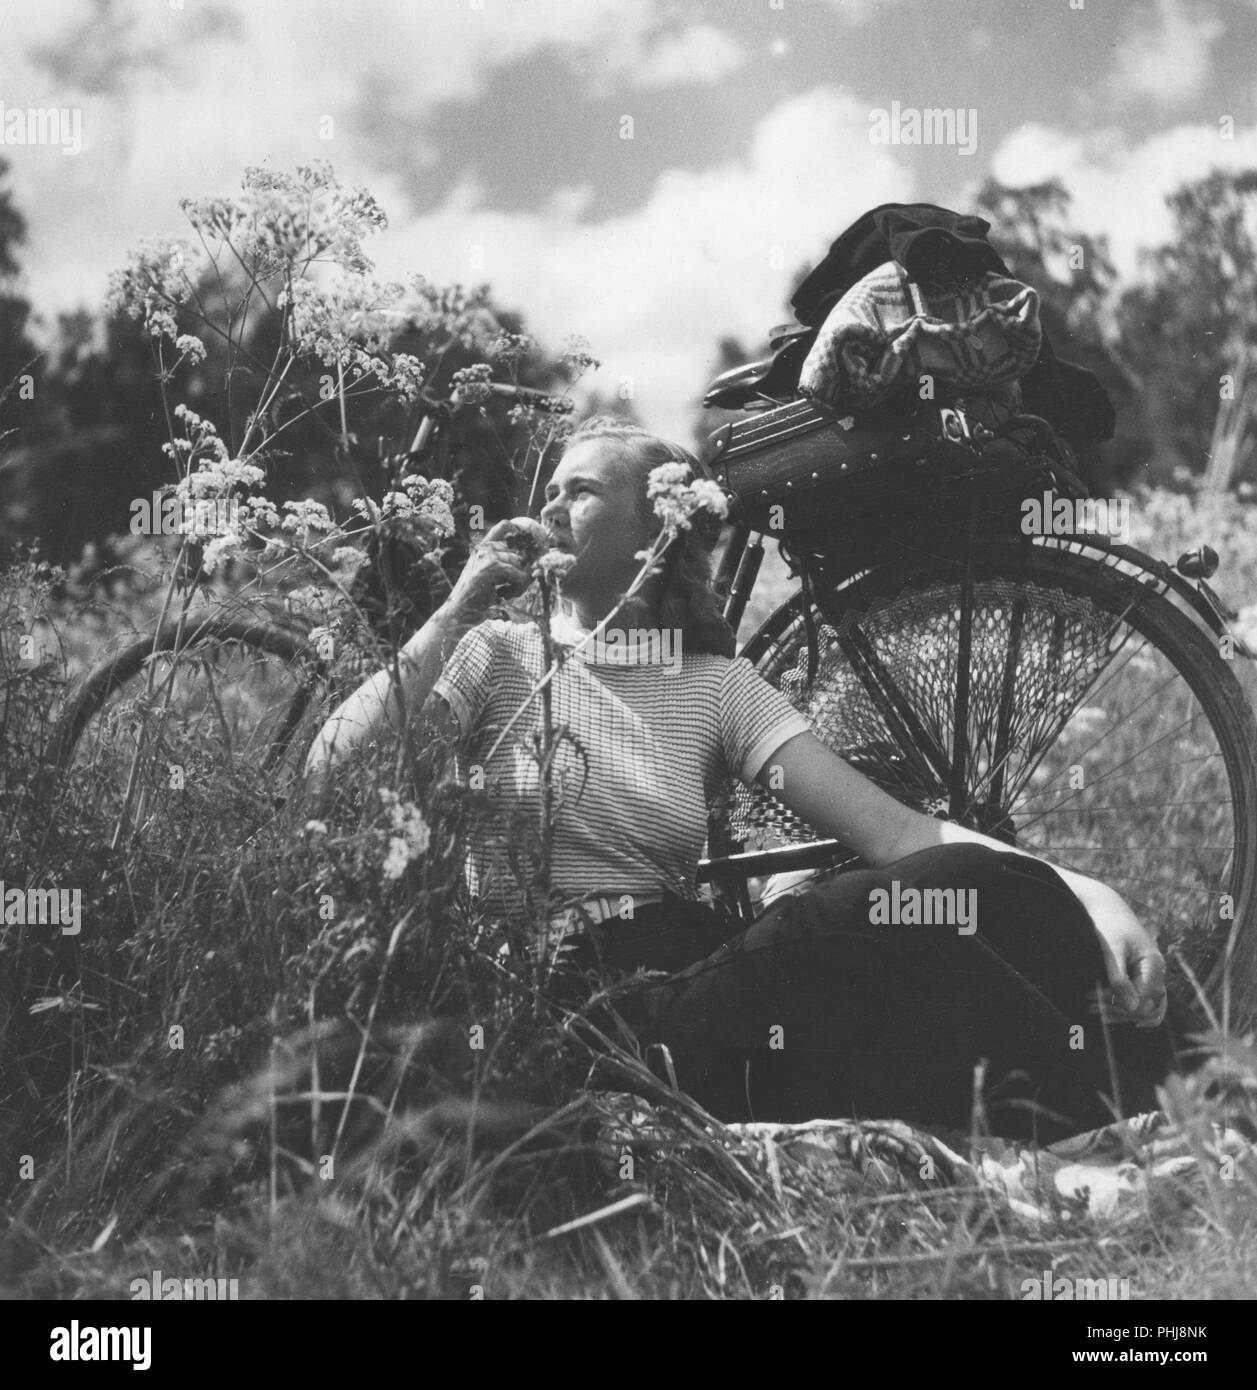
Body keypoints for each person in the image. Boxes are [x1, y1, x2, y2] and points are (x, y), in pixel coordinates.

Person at [304, 418, 1175, 1142]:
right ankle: (1144, 1106)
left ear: (655, 530)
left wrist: (1090, 891)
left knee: (961, 897)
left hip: (693, 969)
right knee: (855, 911)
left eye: (581, 490)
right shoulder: (498, 654)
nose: (549, 507)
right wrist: (459, 606)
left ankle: (1157, 1089)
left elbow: (900, 834)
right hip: (580, 996)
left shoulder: (714, 686)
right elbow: (331, 771)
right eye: (550, 490)